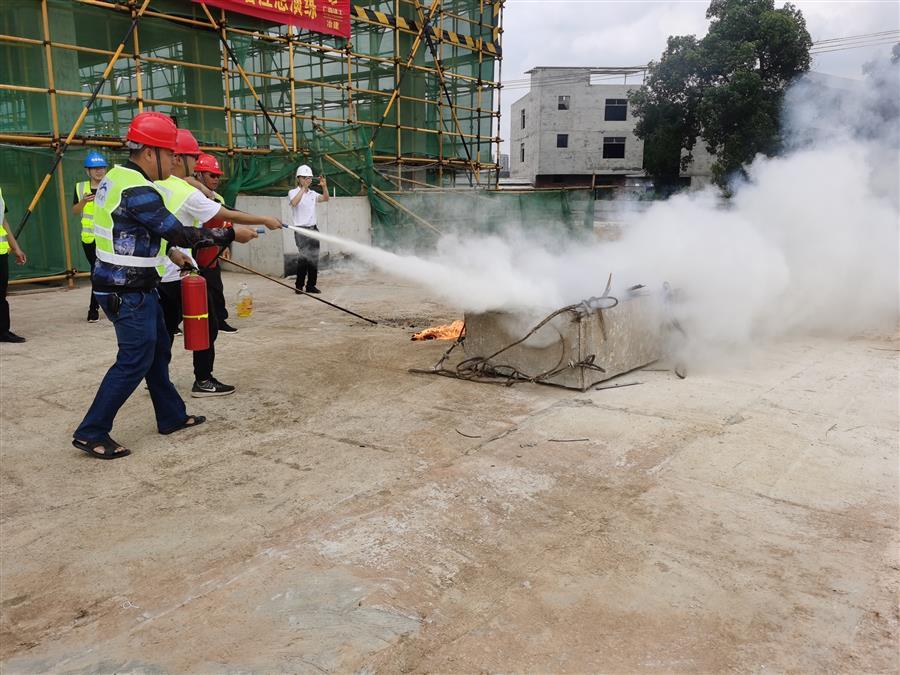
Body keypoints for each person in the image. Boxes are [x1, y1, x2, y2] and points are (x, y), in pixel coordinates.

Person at [72, 112, 261, 460]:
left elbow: (134, 231)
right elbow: (180, 231)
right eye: (170, 154)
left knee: (157, 351)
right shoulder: (138, 189)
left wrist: (172, 253)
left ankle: (171, 415)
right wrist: (231, 233)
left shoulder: (116, 179)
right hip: (126, 290)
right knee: (134, 360)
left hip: (130, 283)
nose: (175, 162)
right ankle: (92, 431)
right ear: (148, 153)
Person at [155, 129, 281, 398]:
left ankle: (156, 379)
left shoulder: (156, 184)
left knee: (164, 330)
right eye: (193, 157)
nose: (196, 163)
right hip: (179, 272)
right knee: (207, 324)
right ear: (179, 158)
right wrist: (263, 220)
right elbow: (221, 213)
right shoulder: (184, 192)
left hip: (158, 269)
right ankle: (203, 380)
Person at [193, 153, 237, 334]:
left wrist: (224, 247)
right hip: (191, 251)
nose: (216, 179)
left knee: (215, 288)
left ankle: (220, 319)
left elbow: (226, 224)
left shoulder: (219, 199)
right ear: (199, 175)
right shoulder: (191, 196)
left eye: (218, 175)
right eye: (212, 175)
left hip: (211, 253)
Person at [72, 151, 108, 322]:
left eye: (101, 168)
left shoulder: (111, 186)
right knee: (97, 272)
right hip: (89, 239)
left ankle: (98, 306)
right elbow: (74, 211)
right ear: (88, 171)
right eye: (95, 169)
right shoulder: (80, 188)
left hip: (108, 237)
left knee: (104, 272)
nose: (98, 171)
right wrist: (84, 201)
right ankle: (94, 307)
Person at [288, 164, 328, 294]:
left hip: (313, 229)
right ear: (298, 178)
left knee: (314, 258)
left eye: (309, 178)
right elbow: (294, 203)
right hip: (301, 230)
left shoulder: (312, 194)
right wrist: (303, 189)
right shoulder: (293, 192)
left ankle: (311, 285)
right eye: (305, 178)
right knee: (304, 258)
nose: (308, 180)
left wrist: (324, 186)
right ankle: (299, 286)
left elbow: (325, 198)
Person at [0, 187, 27, 343]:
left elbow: (3, 221)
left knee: (1, 293)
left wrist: (16, 248)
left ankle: (3, 331)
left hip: (1, 251)